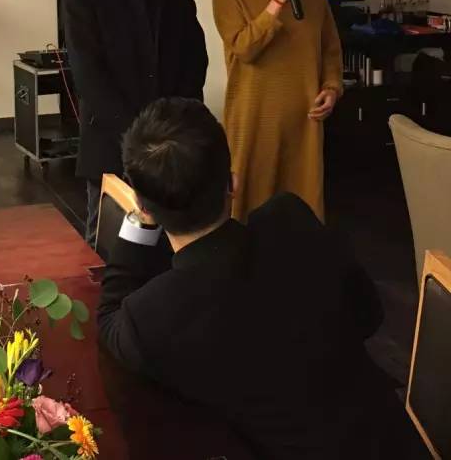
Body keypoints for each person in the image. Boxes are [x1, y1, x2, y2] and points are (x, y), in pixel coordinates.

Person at [98, 98, 423, 460]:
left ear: (144, 206)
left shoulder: (154, 314)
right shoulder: (289, 218)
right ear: (232, 182)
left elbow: (108, 320)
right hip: (395, 442)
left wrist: (140, 220)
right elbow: (369, 315)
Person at [62, 0, 208, 247]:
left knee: (174, 246)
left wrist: (175, 126)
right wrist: (138, 137)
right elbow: (90, 76)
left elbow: (195, 62)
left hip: (171, 144)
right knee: (112, 248)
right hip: (113, 143)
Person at [212, 0, 342, 221]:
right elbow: (245, 48)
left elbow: (330, 48)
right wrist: (278, 0)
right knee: (250, 208)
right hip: (255, 121)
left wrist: (331, 88)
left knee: (302, 210)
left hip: (304, 123)